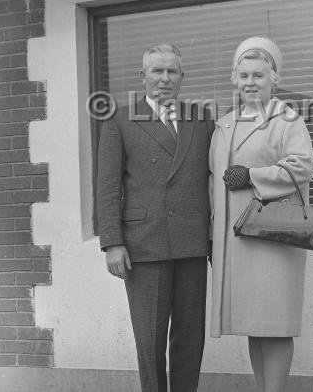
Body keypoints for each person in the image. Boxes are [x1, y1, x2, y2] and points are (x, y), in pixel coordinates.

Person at [96, 43, 214, 392]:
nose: (164, 79)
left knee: (190, 338)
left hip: (192, 241)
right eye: (157, 71)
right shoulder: (120, 119)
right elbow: (106, 185)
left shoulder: (201, 119)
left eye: (172, 71)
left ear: (182, 76)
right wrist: (112, 243)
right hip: (143, 244)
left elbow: (212, 179)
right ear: (142, 76)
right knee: (150, 341)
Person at [209, 36, 313, 392]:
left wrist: (252, 176)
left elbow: (302, 168)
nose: (250, 83)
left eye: (258, 75)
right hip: (236, 240)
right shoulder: (223, 125)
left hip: (273, 236)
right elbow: (213, 183)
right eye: (244, 75)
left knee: (276, 323)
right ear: (233, 79)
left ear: (274, 79)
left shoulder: (288, 119)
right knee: (254, 324)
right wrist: (213, 234)